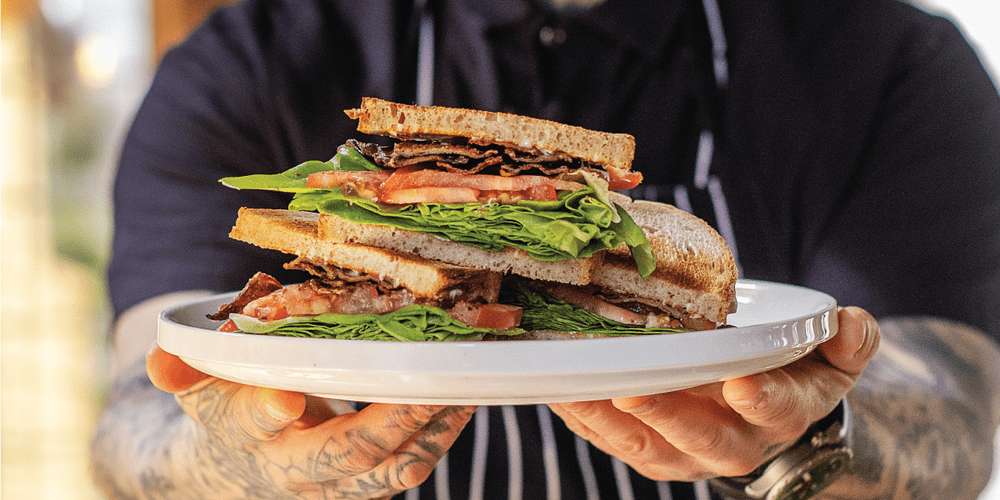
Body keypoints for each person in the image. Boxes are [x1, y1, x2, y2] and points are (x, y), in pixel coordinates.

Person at [90, 0, 1000, 498]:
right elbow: (134, 420)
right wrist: (225, 460)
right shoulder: (246, 61)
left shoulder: (886, 62)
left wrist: (812, 438)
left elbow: (955, 415)